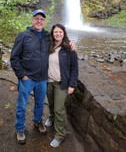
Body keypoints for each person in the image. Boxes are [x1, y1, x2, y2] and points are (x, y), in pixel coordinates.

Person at [10, 10, 76, 145]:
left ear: (44, 22)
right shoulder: (23, 36)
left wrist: (71, 43)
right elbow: (14, 57)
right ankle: (20, 129)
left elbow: (60, 39)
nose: (39, 21)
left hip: (42, 79)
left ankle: (38, 121)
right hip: (27, 79)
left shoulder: (48, 36)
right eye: (37, 18)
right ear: (33, 20)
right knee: (22, 105)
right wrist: (22, 75)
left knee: (40, 103)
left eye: (42, 19)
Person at [45, 23, 78, 148]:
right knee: (51, 104)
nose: (58, 34)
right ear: (52, 34)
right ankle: (51, 118)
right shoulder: (48, 46)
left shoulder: (69, 48)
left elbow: (74, 68)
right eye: (55, 32)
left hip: (61, 84)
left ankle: (60, 134)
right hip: (49, 82)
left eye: (60, 32)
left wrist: (72, 85)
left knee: (59, 109)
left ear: (64, 33)